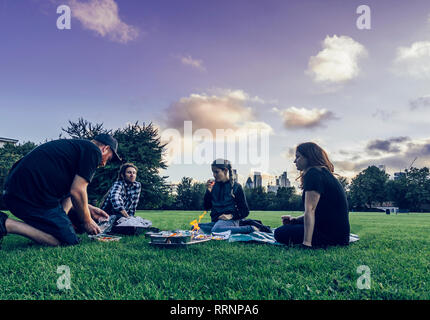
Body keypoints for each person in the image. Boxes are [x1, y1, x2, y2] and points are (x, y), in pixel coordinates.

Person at [0, 134, 121, 247]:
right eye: (108, 159)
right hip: (29, 197)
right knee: (67, 241)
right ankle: (6, 224)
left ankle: (57, 226)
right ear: (105, 148)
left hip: (18, 193)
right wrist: (87, 220)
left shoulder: (76, 150)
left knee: (69, 225)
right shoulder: (93, 151)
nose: (104, 164)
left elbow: (70, 194)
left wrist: (88, 208)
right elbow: (77, 191)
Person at [274, 142, 350, 248]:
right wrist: (295, 220)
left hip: (331, 236)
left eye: (298, 157)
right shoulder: (322, 172)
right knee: (291, 227)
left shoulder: (313, 174)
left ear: (308, 157)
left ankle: (308, 240)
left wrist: (306, 243)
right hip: (340, 235)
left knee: (279, 232)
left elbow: (310, 210)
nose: (294, 161)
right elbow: (321, 212)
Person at [198, 159, 256, 234]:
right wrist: (208, 191)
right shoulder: (213, 186)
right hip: (217, 222)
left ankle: (250, 229)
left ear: (225, 171)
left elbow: (245, 211)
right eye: (213, 172)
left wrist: (230, 216)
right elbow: (207, 207)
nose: (214, 175)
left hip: (231, 221)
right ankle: (219, 229)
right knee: (195, 228)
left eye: (216, 172)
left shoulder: (236, 187)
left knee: (216, 230)